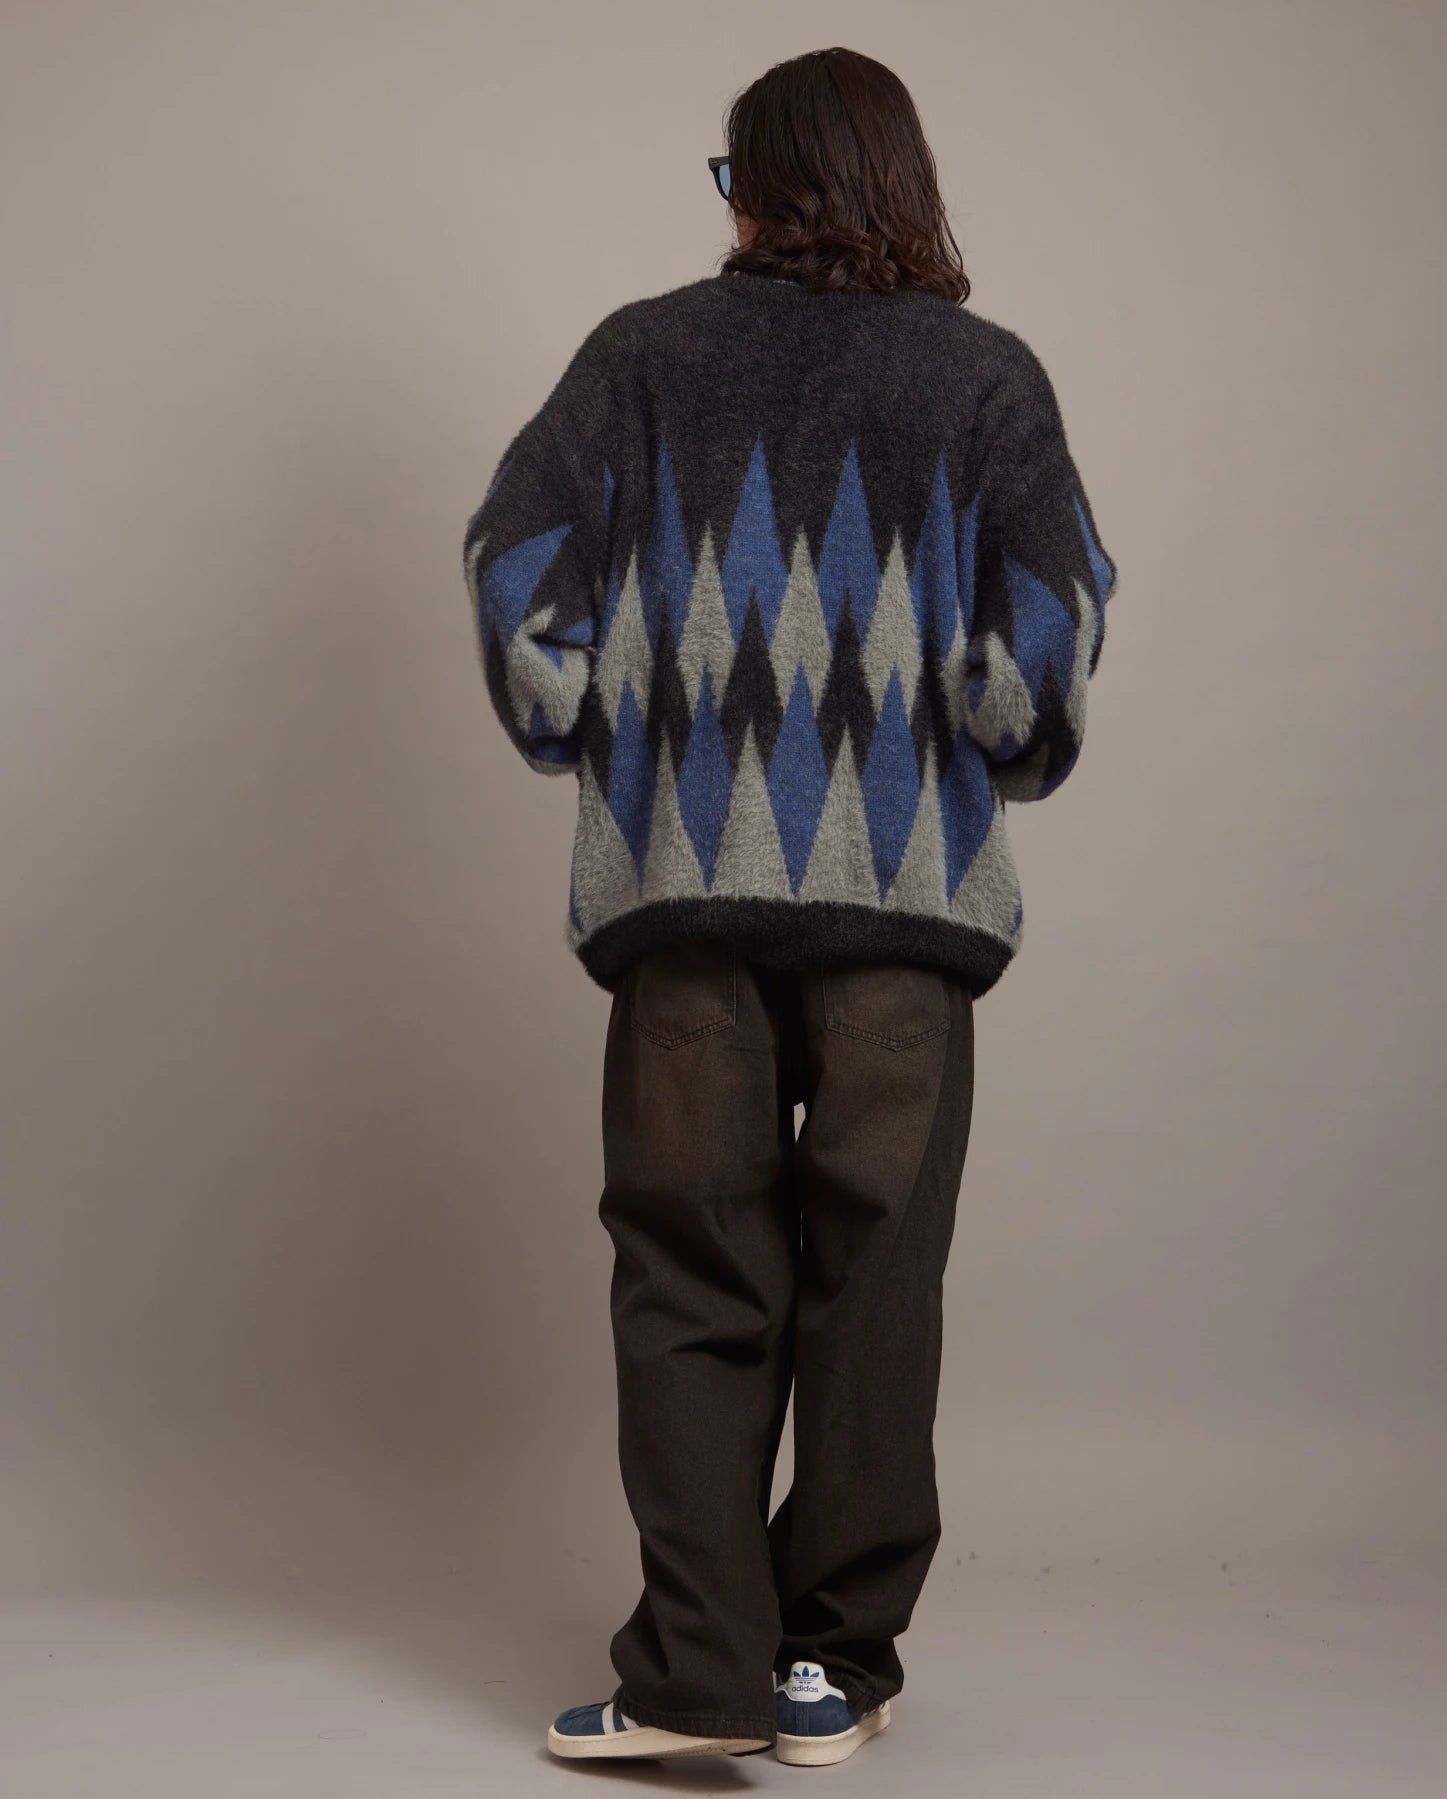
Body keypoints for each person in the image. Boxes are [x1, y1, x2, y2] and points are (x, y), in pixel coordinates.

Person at [461, 44, 1119, 1770]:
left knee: (692, 1278)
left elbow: (517, 564)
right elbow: (1054, 612)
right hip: (904, 921)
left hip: (687, 909)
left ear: (752, 187)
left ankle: (695, 1674)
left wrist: (596, 726)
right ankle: (830, 1670)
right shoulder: (981, 377)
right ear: (901, 182)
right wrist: (984, 736)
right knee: (875, 1293)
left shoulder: (642, 358)